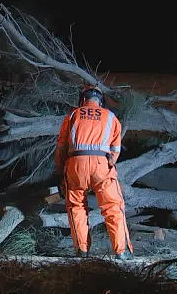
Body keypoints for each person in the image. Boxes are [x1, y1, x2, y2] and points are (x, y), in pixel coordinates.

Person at [53, 84, 134, 259]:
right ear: (100, 101)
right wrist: (109, 165)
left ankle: (82, 250)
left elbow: (61, 147)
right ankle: (121, 251)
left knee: (76, 207)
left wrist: (60, 171)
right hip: (101, 164)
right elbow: (115, 149)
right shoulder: (111, 117)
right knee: (113, 206)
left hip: (76, 164)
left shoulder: (72, 115)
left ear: (83, 99)